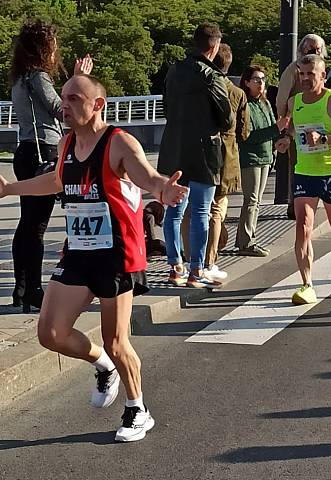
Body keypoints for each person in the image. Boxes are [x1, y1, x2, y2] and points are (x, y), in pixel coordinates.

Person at [0, 74, 188, 442]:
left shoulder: (118, 143)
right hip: (79, 253)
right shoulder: (68, 143)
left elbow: (145, 175)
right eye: (64, 98)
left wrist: (162, 188)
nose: (64, 106)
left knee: (117, 339)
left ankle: (138, 409)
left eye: (73, 99)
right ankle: (103, 365)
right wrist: (9, 189)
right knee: (50, 333)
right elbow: (55, 182)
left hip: (116, 255)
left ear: (98, 104)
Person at [8, 19, 92, 312]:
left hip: (25, 150)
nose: (56, 51)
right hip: (43, 153)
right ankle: (34, 289)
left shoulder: (19, 79)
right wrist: (78, 81)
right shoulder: (39, 77)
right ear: (44, 49)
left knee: (27, 223)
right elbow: (62, 110)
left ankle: (21, 289)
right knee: (37, 226)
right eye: (53, 46)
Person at [275, 54, 331, 305]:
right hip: (305, 172)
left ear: (323, 76)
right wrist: (286, 139)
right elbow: (291, 127)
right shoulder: (295, 101)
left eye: (311, 74)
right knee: (303, 227)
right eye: (301, 73)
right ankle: (307, 284)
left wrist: (323, 139)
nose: (305, 78)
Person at [157, 23, 233, 289]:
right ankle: (196, 269)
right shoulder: (212, 76)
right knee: (201, 210)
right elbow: (226, 118)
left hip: (174, 146)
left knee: (174, 210)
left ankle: (175, 266)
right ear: (214, 47)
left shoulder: (174, 71)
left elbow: (167, 108)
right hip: (204, 150)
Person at [204, 43, 249, 280]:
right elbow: (244, 131)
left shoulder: (202, 86)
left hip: (201, 152)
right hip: (227, 155)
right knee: (216, 210)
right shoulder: (237, 93)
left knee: (195, 209)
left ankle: (190, 257)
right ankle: (210, 259)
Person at [235, 65, 289, 256]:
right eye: (256, 79)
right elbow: (247, 136)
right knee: (251, 200)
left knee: (255, 201)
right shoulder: (245, 105)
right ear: (247, 82)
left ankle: (244, 239)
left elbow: (271, 128)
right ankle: (247, 242)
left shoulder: (265, 103)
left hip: (266, 156)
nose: (261, 83)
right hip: (250, 157)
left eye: (263, 79)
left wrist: (278, 141)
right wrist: (276, 129)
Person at [276, 34, 328, 219]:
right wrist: (284, 125)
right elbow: (282, 98)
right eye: (310, 49)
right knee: (297, 166)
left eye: (317, 49)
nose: (314, 52)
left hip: (320, 126)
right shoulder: (294, 69)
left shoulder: (322, 69)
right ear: (302, 50)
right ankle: (295, 204)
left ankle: (314, 200)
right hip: (298, 125)